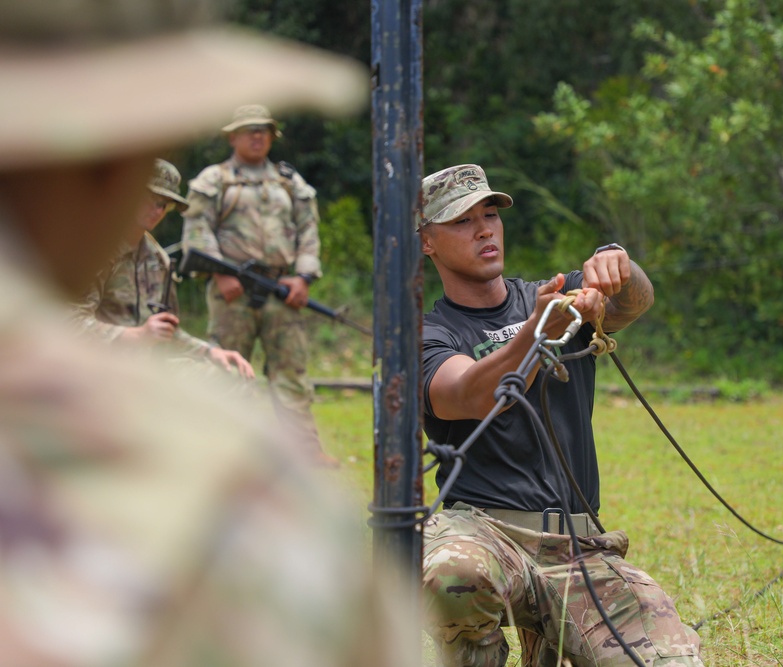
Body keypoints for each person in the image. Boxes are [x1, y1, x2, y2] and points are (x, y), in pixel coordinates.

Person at [0, 2, 417, 666]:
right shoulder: (224, 490)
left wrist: (237, 324)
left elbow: (167, 322)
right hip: (213, 306)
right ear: (118, 163)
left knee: (280, 378)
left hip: (277, 296)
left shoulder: (271, 195)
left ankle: (308, 441)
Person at [418, 164, 705, 666]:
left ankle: (550, 637)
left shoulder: (554, 295)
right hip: (486, 534)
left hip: (578, 545)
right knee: (451, 573)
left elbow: (636, 300)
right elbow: (468, 394)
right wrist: (536, 332)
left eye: (490, 214)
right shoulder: (428, 334)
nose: (485, 228)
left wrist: (615, 262)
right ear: (427, 243)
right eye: (462, 221)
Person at [182, 105, 328, 463]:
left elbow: (309, 229)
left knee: (291, 372)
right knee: (227, 368)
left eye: (264, 130)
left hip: (282, 289)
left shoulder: (289, 182)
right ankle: (222, 449)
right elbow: (197, 228)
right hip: (232, 291)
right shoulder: (214, 180)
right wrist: (221, 272)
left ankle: (304, 452)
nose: (258, 136)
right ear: (233, 137)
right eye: (249, 130)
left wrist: (304, 276)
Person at [72, 158, 256, 381]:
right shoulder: (92, 250)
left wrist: (211, 352)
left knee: (226, 377)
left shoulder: (158, 260)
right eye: (151, 198)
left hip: (143, 370)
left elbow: (166, 330)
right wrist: (133, 335)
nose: (157, 210)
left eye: (164, 204)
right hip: (93, 369)